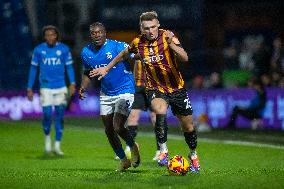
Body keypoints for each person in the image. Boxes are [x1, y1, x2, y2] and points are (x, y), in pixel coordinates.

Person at [89, 11, 200, 173]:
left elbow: (185, 58)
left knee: (188, 127)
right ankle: (163, 150)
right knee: (159, 109)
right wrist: (106, 68)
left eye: (153, 27)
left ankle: (193, 154)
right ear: (141, 28)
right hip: (155, 87)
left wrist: (171, 44)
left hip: (177, 88)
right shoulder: (137, 42)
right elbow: (122, 55)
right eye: (146, 28)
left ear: (158, 25)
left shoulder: (168, 36)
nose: (150, 31)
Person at [78, 22, 140, 171]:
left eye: (99, 32)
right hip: (106, 94)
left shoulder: (117, 46)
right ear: (90, 35)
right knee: (108, 130)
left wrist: (141, 54)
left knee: (118, 126)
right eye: (94, 33)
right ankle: (124, 161)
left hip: (125, 90)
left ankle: (133, 146)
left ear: (105, 32)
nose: (97, 35)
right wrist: (83, 87)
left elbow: (133, 55)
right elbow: (88, 72)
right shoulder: (86, 52)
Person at [27, 25, 76, 155]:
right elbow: (33, 69)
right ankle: (47, 137)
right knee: (47, 114)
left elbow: (69, 67)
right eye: (47, 35)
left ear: (56, 36)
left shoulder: (64, 49)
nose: (50, 37)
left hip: (60, 87)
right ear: (44, 37)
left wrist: (72, 83)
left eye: (52, 34)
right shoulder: (38, 50)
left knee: (60, 116)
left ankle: (57, 145)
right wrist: (29, 88)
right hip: (46, 87)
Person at [123, 60, 159, 161]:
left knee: (155, 118)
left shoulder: (156, 46)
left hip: (153, 86)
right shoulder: (135, 45)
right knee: (132, 116)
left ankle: (160, 150)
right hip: (137, 86)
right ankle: (129, 148)